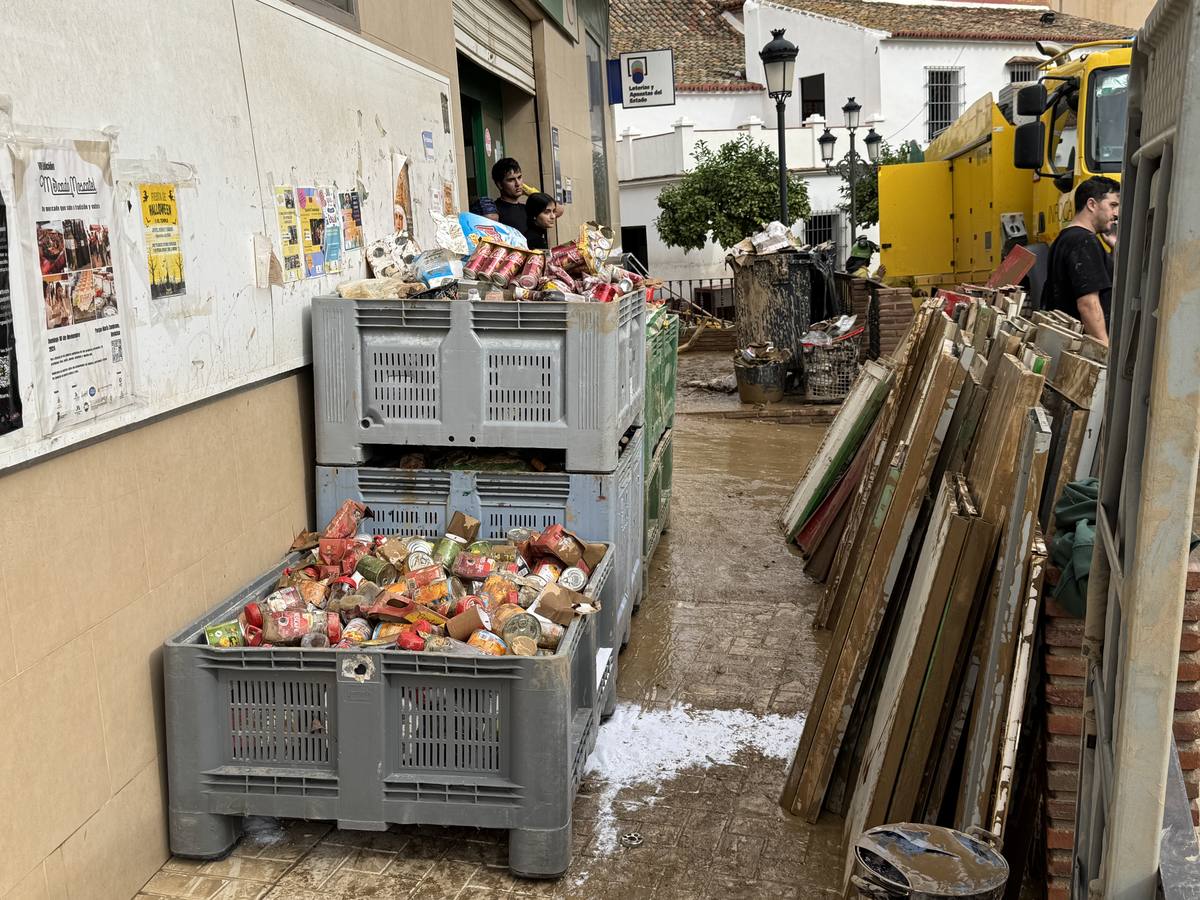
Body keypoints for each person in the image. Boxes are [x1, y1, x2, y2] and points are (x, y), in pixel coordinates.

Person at [1045, 176, 1120, 345]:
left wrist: (1115, 247)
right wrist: (1104, 349)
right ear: (1092, 204)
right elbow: (1088, 304)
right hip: (1081, 348)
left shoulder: (1064, 239)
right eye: (1113, 205)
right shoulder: (1084, 241)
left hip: (1065, 344)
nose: (1116, 214)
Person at [491, 158, 527, 233]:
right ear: (500, 185)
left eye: (519, 177)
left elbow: (556, 210)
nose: (518, 184)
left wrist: (532, 193)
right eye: (511, 180)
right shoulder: (494, 212)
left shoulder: (526, 209)